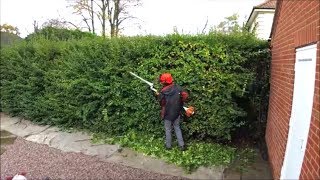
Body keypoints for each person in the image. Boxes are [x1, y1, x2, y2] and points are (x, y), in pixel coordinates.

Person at [155, 73, 188, 151]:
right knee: (177, 127)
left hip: (167, 113)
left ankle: (168, 146)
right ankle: (182, 145)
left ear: (164, 82)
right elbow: (185, 95)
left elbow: (162, 103)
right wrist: (181, 101)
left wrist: (158, 95)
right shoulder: (178, 88)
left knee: (168, 129)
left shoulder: (163, 91)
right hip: (177, 112)